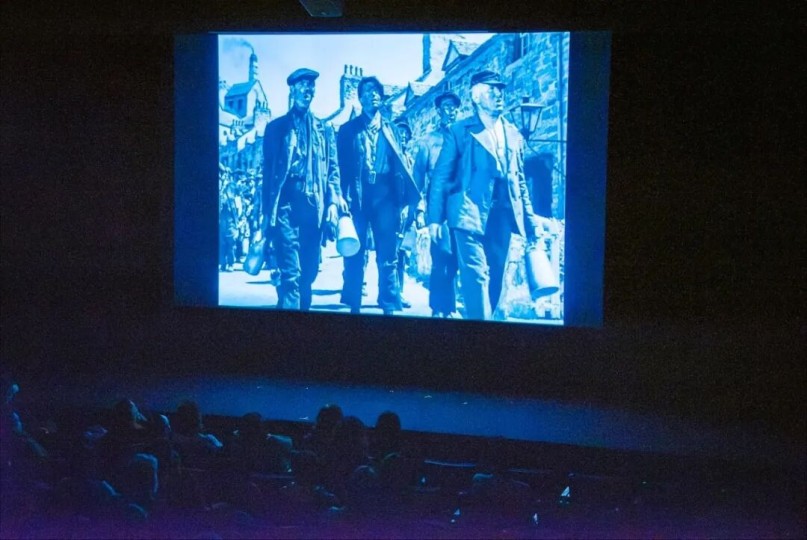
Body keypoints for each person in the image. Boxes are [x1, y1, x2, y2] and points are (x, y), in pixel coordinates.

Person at [427, 70, 550, 321]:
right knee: (476, 277)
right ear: (476, 97)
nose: (499, 95)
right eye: (491, 90)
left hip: (503, 215)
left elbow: (520, 184)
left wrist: (531, 224)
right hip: (468, 213)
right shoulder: (460, 131)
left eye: (500, 90)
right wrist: (434, 219)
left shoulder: (513, 134)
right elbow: (440, 177)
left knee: (496, 277)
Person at [262, 68, 347, 311]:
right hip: (286, 204)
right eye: (302, 85)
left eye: (311, 86)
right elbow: (267, 175)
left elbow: (333, 170)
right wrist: (265, 213)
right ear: (292, 90)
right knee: (291, 272)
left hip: (313, 206)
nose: (307, 90)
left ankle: (295, 309)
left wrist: (333, 202)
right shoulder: (276, 128)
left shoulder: (324, 130)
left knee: (309, 272)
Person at [338, 76, 420, 316]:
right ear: (360, 98)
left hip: (386, 197)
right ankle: (354, 305)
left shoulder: (391, 128)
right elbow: (341, 168)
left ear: (381, 97)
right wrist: (341, 197)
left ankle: (388, 306)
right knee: (355, 252)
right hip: (359, 195)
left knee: (388, 254)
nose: (372, 95)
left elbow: (400, 169)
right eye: (367, 91)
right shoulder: (348, 130)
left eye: (376, 91)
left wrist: (403, 203)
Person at [413, 90, 461, 318]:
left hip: (460, 207)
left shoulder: (464, 139)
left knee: (456, 258)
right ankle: (438, 308)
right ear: (439, 111)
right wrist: (419, 208)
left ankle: (448, 306)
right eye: (446, 107)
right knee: (441, 255)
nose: (451, 111)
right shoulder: (428, 141)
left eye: (454, 107)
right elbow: (418, 178)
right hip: (437, 207)